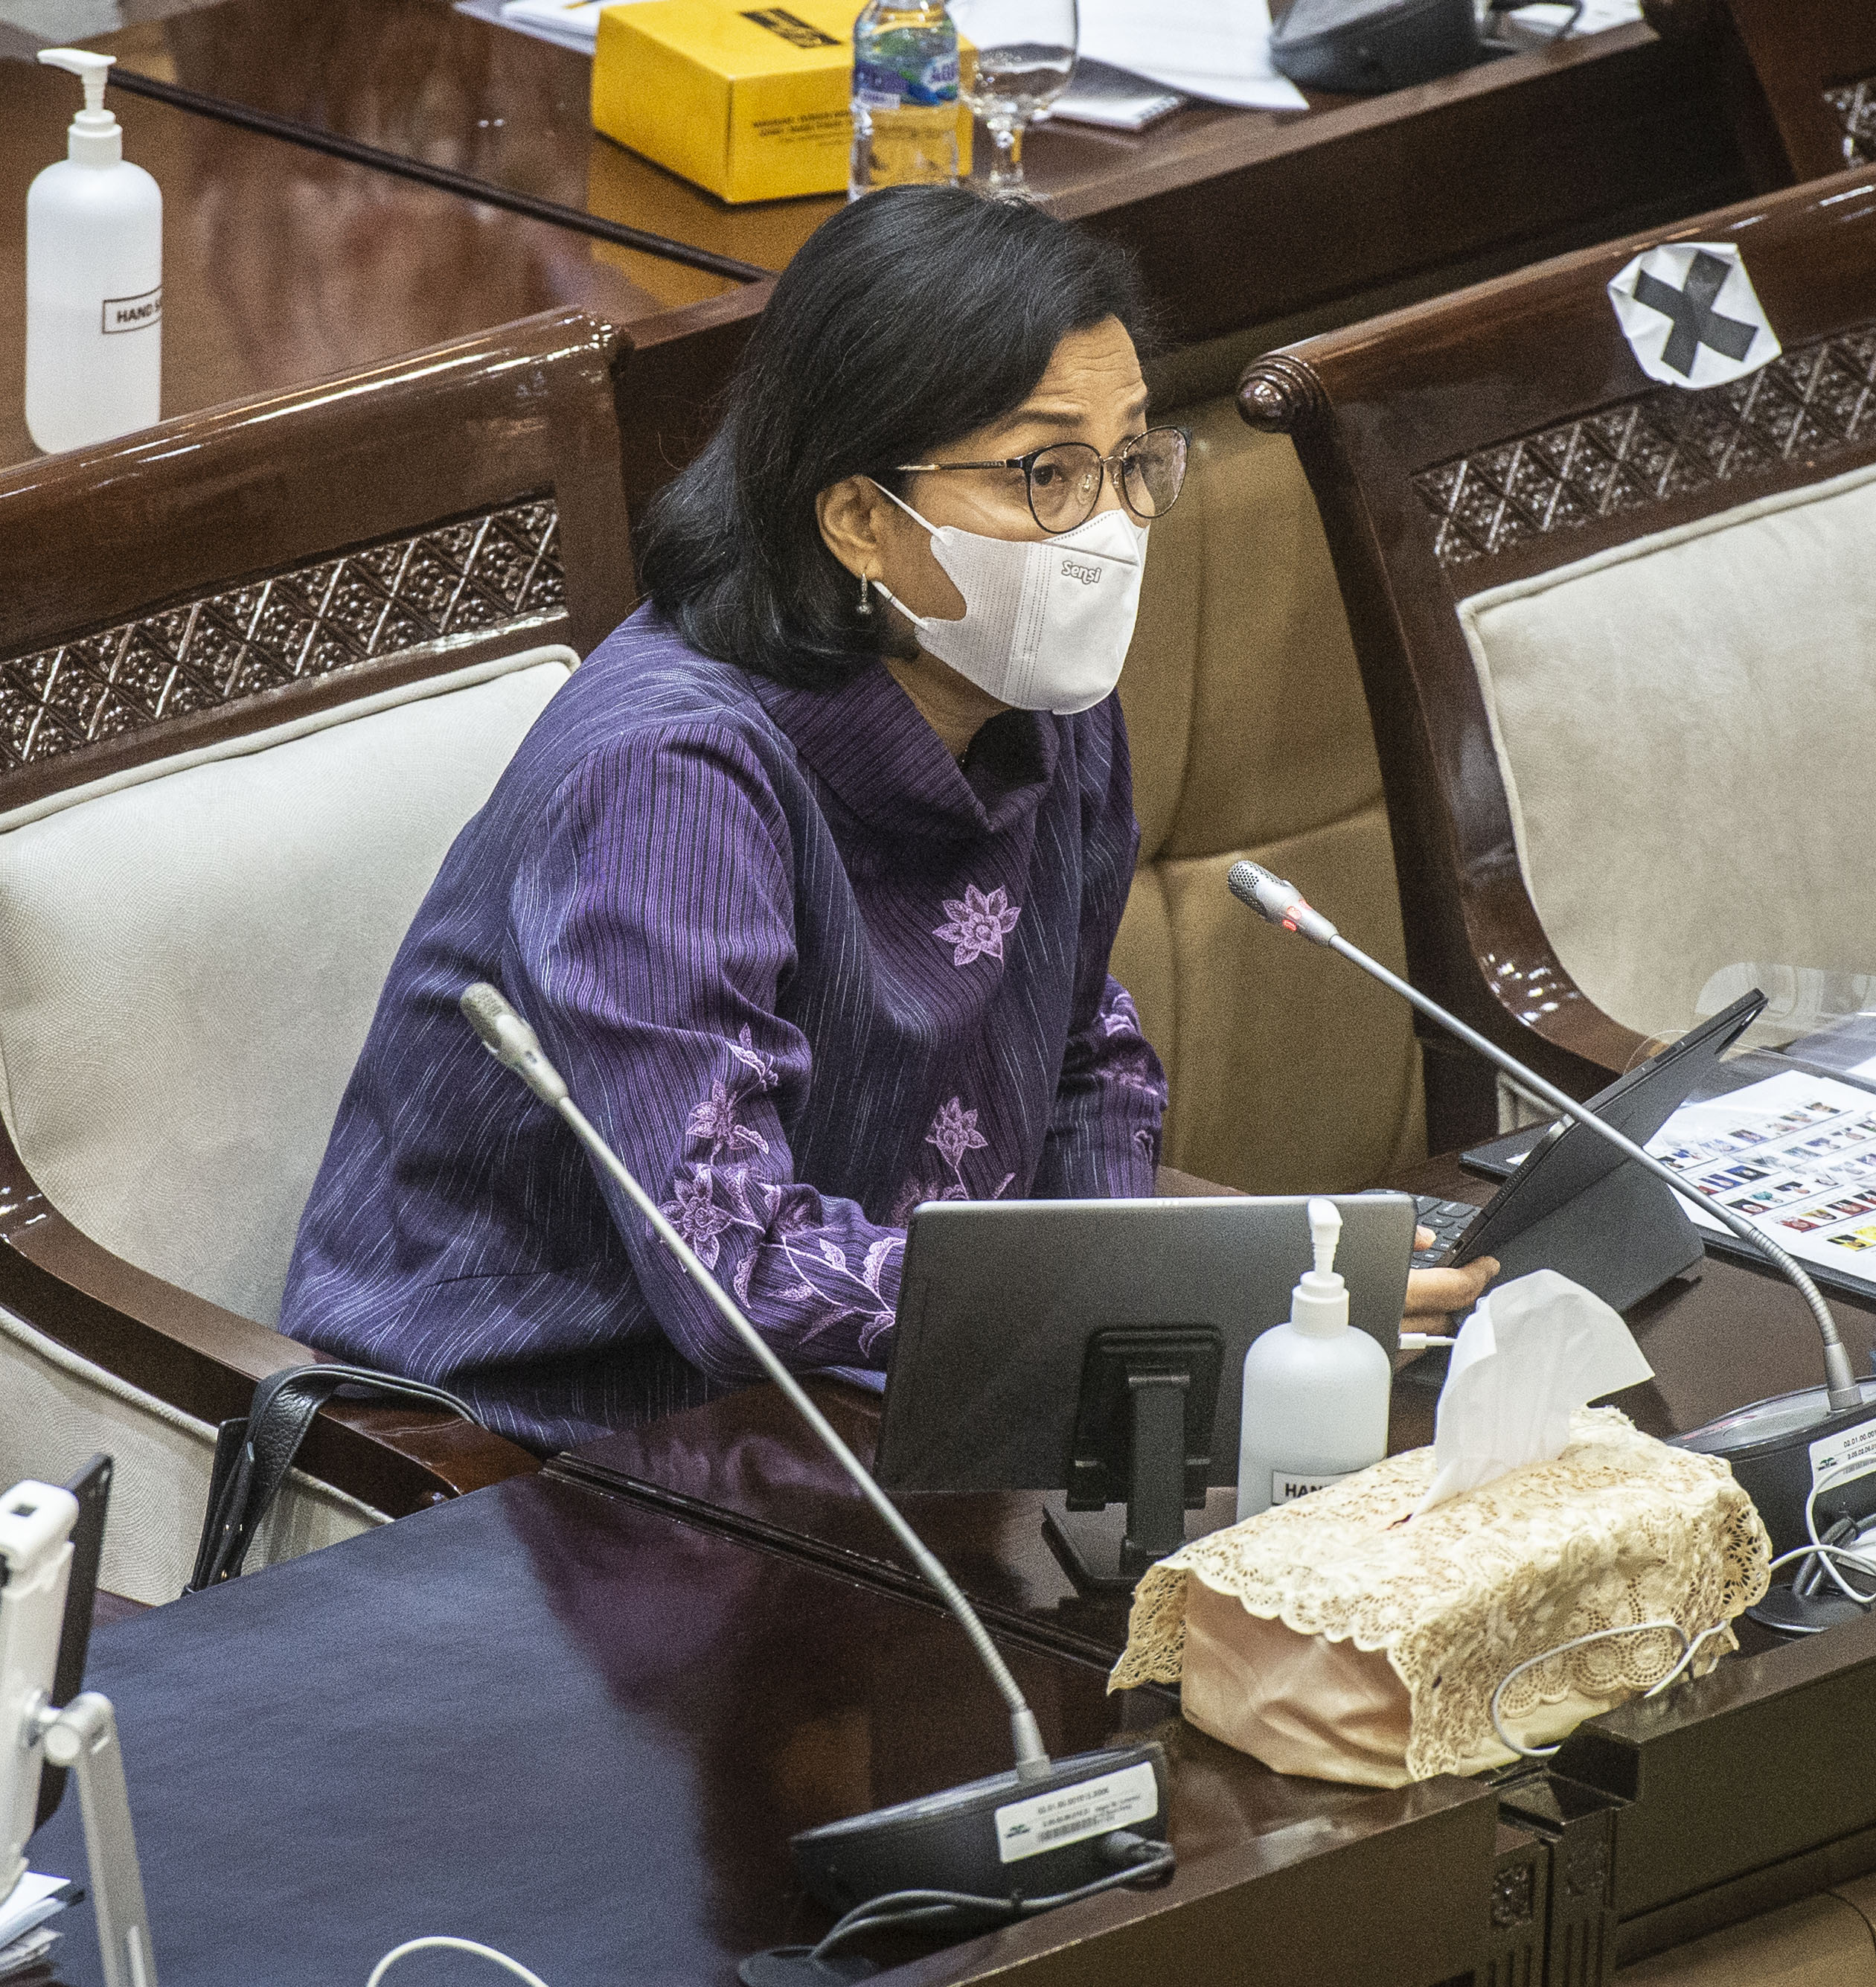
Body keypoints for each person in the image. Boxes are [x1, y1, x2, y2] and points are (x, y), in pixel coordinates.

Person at [283, 187, 1494, 1449]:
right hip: (515, 1454)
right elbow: (730, 1270)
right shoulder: (673, 772)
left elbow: (1083, 1055)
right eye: (1046, 473)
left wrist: (1143, 1358)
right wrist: (1146, 1301)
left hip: (874, 1409)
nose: (1114, 528)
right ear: (862, 518)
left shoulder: (1044, 698)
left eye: (1134, 461)